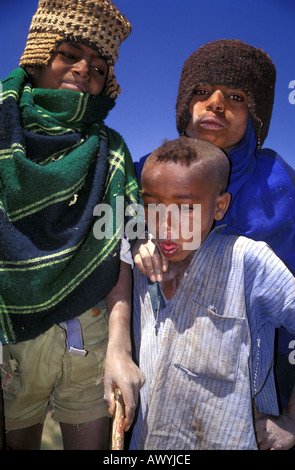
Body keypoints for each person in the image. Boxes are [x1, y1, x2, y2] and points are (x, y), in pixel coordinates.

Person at [133, 39, 295, 450]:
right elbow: (109, 224)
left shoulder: (278, 184)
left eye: (236, 97)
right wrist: (136, 238)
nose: (216, 104)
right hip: (161, 398)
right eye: (202, 92)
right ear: (184, 108)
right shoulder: (149, 172)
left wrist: (291, 418)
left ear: (257, 117)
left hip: (260, 394)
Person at [0, 0, 143, 450]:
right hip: (8, 339)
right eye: (69, 54)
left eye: (98, 67)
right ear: (40, 55)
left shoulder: (112, 152)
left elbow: (121, 247)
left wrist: (120, 346)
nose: (84, 70)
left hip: (93, 335)